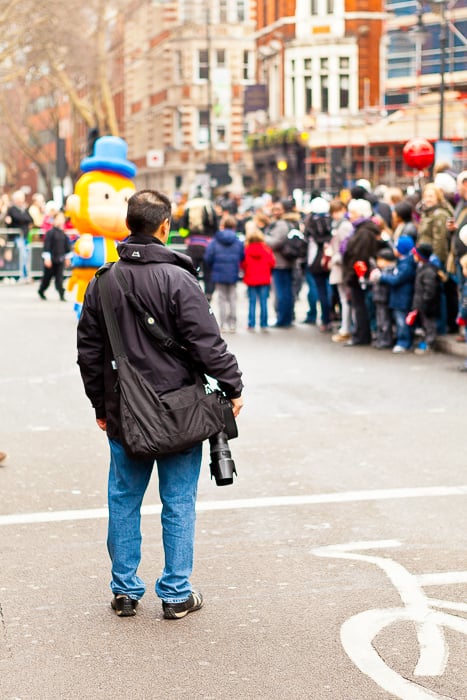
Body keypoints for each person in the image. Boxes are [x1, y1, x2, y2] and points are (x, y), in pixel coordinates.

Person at [77, 189, 244, 619]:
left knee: (124, 498)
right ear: (165, 225)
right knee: (179, 500)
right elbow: (207, 344)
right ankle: (175, 592)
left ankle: (125, 590)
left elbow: (89, 351)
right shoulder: (179, 279)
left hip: (124, 407)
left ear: (129, 225)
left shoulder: (103, 281)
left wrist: (100, 403)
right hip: (179, 406)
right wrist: (233, 385)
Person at [342, 198, 380, 346]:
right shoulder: (360, 230)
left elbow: (360, 256)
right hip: (357, 273)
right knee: (359, 305)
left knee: (360, 306)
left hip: (359, 274)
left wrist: (355, 274)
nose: (349, 215)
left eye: (353, 213)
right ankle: (360, 333)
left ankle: (362, 335)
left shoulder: (364, 232)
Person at [204, 215, 245, 333]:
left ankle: (222, 324)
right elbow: (242, 256)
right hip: (233, 272)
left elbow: (208, 257)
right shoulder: (237, 241)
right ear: (234, 226)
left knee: (221, 298)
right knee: (232, 298)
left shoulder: (215, 240)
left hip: (218, 272)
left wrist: (214, 267)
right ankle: (233, 323)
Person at [378, 235, 417, 354]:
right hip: (398, 297)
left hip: (403, 298)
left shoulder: (407, 265)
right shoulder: (402, 263)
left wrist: (382, 277)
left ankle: (404, 342)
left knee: (402, 322)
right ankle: (402, 340)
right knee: (399, 320)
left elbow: (396, 279)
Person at [180, 188, 218, 301]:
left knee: (191, 270)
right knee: (208, 270)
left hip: (193, 242)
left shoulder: (188, 207)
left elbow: (182, 226)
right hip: (207, 243)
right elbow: (215, 224)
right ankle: (209, 293)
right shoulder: (209, 206)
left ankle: (193, 291)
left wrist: (185, 237)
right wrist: (212, 236)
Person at [265, 200, 296, 328]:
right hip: (285, 261)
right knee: (286, 291)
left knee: (282, 292)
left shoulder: (282, 224)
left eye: (278, 209)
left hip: (281, 262)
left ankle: (283, 319)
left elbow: (276, 242)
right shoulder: (289, 223)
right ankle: (286, 318)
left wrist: (262, 237)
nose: (275, 212)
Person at [304, 197, 333, 332]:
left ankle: (325, 319)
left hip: (316, 261)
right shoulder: (331, 221)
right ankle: (329, 317)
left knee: (320, 290)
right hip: (330, 259)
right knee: (330, 290)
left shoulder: (311, 223)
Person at [241, 220, 275, 331]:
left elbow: (243, 264)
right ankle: (264, 324)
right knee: (264, 302)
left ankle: (251, 324)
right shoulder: (266, 250)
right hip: (264, 279)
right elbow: (272, 263)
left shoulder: (246, 250)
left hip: (251, 279)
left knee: (252, 302)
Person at [329, 198, 353, 342]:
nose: (335, 215)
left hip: (342, 266)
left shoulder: (344, 226)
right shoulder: (340, 225)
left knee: (345, 300)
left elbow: (345, 248)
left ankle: (346, 328)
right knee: (344, 299)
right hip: (340, 265)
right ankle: (346, 327)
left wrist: (335, 257)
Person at [411, 243, 442, 354]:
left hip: (427, 304)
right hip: (421, 302)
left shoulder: (428, 270)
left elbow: (430, 289)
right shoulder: (421, 268)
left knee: (429, 325)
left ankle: (430, 344)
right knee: (425, 325)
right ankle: (426, 343)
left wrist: (425, 301)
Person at [38, 211, 72, 301]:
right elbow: (47, 246)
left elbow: (67, 247)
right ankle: (41, 290)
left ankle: (62, 294)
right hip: (51, 260)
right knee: (47, 278)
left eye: (62, 219)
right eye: (58, 219)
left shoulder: (64, 234)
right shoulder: (50, 233)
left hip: (60, 259)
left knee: (59, 279)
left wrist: (68, 258)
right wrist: (47, 258)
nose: (60, 221)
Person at [369, 247, 396, 349]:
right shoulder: (379, 271)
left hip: (384, 299)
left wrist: (379, 278)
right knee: (380, 321)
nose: (378, 262)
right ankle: (381, 339)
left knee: (385, 322)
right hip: (378, 299)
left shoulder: (388, 272)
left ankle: (385, 340)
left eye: (380, 259)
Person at [5, 190, 33, 280]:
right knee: (23, 254)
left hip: (25, 236)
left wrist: (23, 219)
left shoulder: (24, 209)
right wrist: (24, 220)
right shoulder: (12, 209)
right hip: (17, 237)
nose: (22, 200)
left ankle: (26, 273)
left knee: (27, 255)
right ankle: (23, 274)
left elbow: (30, 219)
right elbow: (18, 218)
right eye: (20, 199)